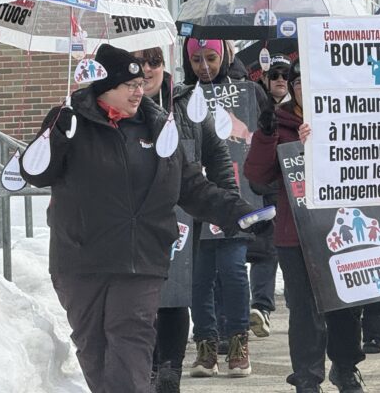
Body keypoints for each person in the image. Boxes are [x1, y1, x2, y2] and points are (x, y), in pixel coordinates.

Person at [19, 43, 255, 393]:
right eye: (127, 85)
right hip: (81, 258)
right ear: (103, 88)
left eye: (139, 83)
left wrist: (239, 212)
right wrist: (56, 137)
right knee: (94, 348)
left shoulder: (159, 127)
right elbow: (34, 173)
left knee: (130, 341)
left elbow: (190, 186)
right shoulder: (68, 121)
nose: (138, 89)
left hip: (140, 257)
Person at [245, 59, 367, 393]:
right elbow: (257, 178)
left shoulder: (346, 115)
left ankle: (345, 367)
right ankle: (307, 377)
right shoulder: (279, 123)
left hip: (341, 229)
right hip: (294, 233)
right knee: (304, 311)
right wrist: (268, 135)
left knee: (344, 306)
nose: (303, 88)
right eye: (297, 83)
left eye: (309, 81)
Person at [132, 46, 238, 393]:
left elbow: (218, 156)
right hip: (133, 218)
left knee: (175, 292)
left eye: (155, 62)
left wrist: (230, 206)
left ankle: (169, 370)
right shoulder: (120, 107)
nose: (147, 70)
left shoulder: (187, 104)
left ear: (166, 66)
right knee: (141, 297)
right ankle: (147, 366)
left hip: (181, 214)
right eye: (139, 63)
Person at [182, 38, 268, 377]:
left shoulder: (247, 93)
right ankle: (205, 345)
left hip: (235, 194)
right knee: (199, 278)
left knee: (233, 271)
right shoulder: (183, 96)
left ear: (225, 56)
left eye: (212, 58)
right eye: (198, 59)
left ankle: (237, 343)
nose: (205, 65)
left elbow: (263, 133)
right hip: (197, 201)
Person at [247, 54, 291, 339]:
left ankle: (305, 302)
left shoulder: (302, 108)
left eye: (285, 75)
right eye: (274, 74)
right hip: (266, 189)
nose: (279, 80)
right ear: (264, 78)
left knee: (297, 252)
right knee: (265, 248)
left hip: (296, 190)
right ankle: (260, 307)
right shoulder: (253, 105)